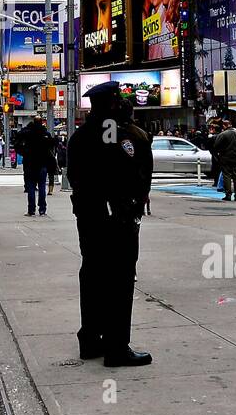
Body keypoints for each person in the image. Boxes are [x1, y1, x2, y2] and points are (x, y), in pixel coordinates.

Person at [67, 81, 153, 368]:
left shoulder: (80, 136)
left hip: (89, 217)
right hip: (117, 218)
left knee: (91, 273)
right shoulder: (120, 135)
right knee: (119, 278)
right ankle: (117, 347)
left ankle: (90, 339)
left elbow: (76, 177)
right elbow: (132, 176)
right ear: (115, 104)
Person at [18, 117, 54, 217]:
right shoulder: (45, 134)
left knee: (31, 188)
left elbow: (18, 142)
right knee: (42, 187)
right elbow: (51, 146)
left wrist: (24, 153)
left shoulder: (27, 133)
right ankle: (42, 210)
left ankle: (31, 210)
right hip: (42, 163)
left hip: (30, 163)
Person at [210, 120, 236, 201]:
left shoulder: (223, 134)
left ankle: (228, 194)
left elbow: (216, 145)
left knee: (227, 175)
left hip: (225, 157)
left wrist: (219, 154)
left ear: (224, 126)